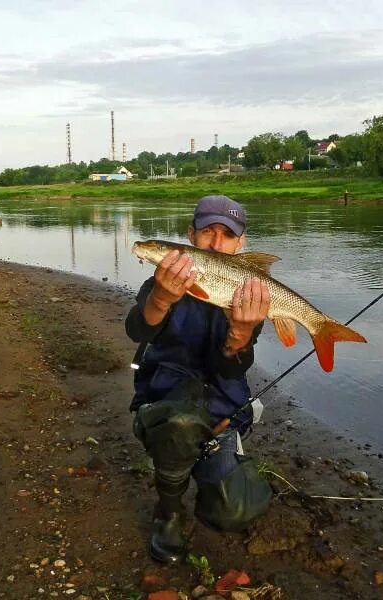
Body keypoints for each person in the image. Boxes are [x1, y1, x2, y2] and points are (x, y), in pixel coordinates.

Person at [125, 195, 273, 563]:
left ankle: (212, 473)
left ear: (241, 244)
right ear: (191, 235)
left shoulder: (248, 291)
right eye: (208, 231)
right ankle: (170, 512)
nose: (216, 242)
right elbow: (136, 328)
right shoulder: (161, 281)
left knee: (233, 511)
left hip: (222, 404)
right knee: (179, 426)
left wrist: (241, 331)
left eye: (227, 235)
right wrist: (160, 298)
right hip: (166, 402)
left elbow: (232, 369)